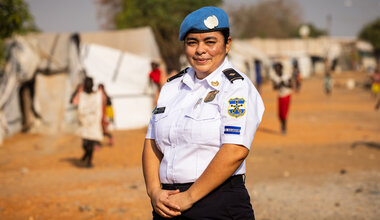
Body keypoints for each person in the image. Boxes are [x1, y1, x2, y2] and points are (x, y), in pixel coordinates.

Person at [142, 6, 264, 220]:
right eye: (192, 43)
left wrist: (189, 197)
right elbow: (152, 142)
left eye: (210, 42)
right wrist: (153, 191)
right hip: (168, 203)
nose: (200, 50)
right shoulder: (171, 88)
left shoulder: (236, 87)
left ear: (227, 44)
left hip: (217, 203)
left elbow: (235, 150)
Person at [77, 77, 103, 167]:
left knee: (91, 143)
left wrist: (98, 121)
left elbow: (98, 109)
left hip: (93, 122)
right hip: (85, 122)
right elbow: (80, 109)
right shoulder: (82, 96)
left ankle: (89, 161)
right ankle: (86, 154)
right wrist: (82, 119)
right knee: (85, 144)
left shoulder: (97, 95)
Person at [272, 62, 292, 134]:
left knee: (284, 112)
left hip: (287, 95)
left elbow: (291, 85)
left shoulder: (286, 76)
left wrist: (284, 84)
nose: (276, 70)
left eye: (277, 68)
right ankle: (282, 124)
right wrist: (278, 85)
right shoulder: (275, 78)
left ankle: (284, 126)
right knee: (279, 114)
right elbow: (274, 87)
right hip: (280, 96)